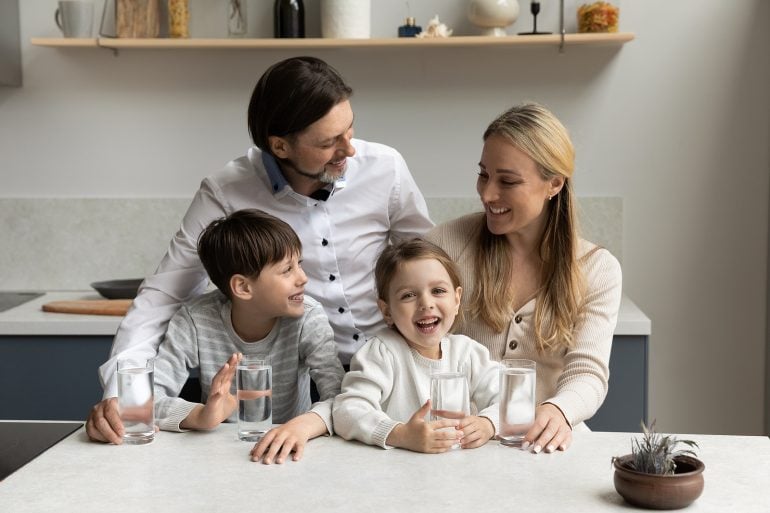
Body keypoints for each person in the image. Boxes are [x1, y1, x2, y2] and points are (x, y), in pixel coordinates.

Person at [86, 56, 433, 443]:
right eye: (328, 142)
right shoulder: (225, 191)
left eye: (349, 129)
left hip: (389, 371)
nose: (349, 150)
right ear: (280, 146)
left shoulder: (386, 167)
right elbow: (165, 294)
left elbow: (428, 264)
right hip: (296, 386)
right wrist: (123, 396)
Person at [427, 103, 622, 455]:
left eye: (508, 181)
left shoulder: (597, 269)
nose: (487, 194)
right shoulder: (444, 247)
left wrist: (559, 409)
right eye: (483, 174)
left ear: (554, 184)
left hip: (544, 445)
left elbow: (588, 373)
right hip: (460, 446)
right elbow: (409, 349)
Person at [149, 209, 344, 464]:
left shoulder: (308, 317)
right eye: (287, 270)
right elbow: (147, 398)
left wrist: (303, 427)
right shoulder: (196, 319)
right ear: (243, 287)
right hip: (215, 457)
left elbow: (341, 397)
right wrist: (203, 416)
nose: (303, 278)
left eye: (300, 264)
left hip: (287, 455)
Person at [332, 239, 499, 453]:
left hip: (456, 472)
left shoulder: (467, 353)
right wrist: (400, 435)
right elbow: (348, 410)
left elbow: (510, 399)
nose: (426, 303)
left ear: (457, 300)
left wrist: (488, 424)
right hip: (396, 472)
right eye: (408, 295)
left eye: (438, 290)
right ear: (387, 311)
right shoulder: (381, 353)